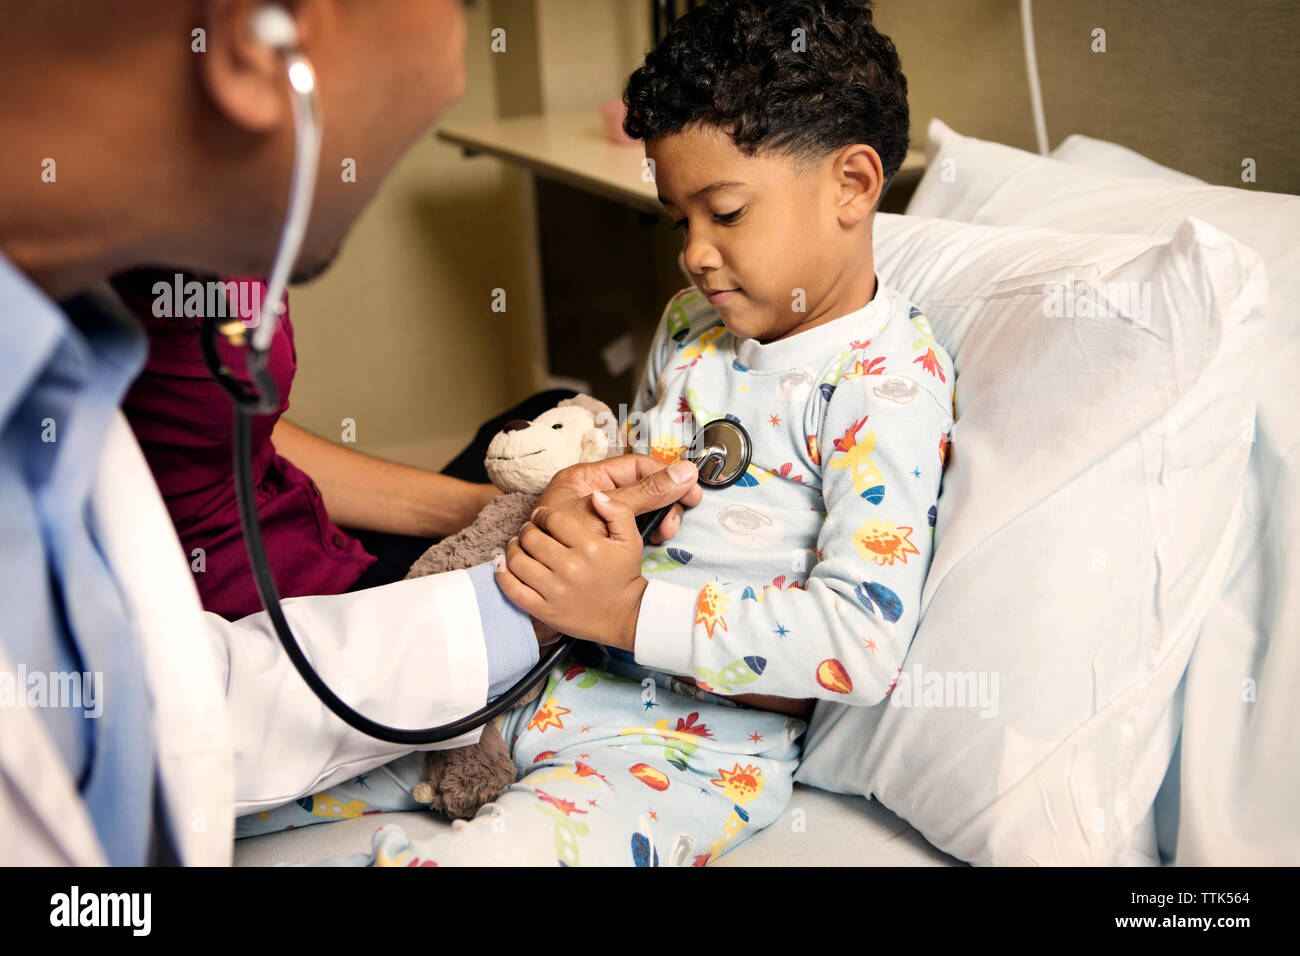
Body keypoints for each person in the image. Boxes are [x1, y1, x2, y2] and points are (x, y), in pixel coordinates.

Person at [240, 0, 956, 867]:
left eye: (724, 214)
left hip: (684, 752)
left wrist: (625, 610)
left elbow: (859, 643)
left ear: (852, 184)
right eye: (677, 219)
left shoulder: (886, 384)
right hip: (542, 679)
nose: (694, 253)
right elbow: (645, 501)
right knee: (225, 796)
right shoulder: (693, 327)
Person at [0, 0, 701, 866]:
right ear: (265, 46)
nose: (452, 73)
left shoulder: (64, 364)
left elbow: (171, 707)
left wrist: (502, 546)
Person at [113, 268, 571, 619]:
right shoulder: (100, 308)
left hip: (318, 545)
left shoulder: (231, 251)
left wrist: (477, 508)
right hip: (272, 623)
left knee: (553, 405)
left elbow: (220, 436)